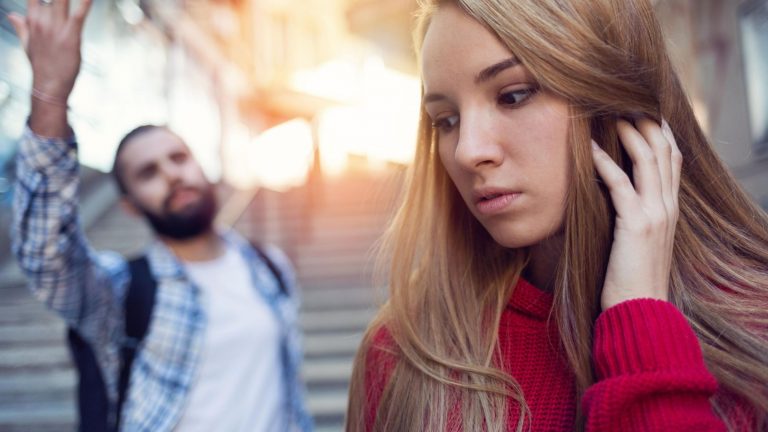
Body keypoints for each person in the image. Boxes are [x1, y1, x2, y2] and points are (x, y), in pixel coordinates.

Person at [345, 0, 768, 431]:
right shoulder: (400, 353)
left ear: (614, 100)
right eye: (446, 120)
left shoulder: (755, 329)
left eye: (513, 95)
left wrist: (641, 325)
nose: (468, 151)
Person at [8, 1, 313, 431]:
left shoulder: (270, 268)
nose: (171, 174)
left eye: (178, 158)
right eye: (148, 172)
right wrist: (51, 96)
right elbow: (46, 256)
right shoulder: (120, 291)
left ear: (201, 167)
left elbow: (288, 396)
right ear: (129, 205)